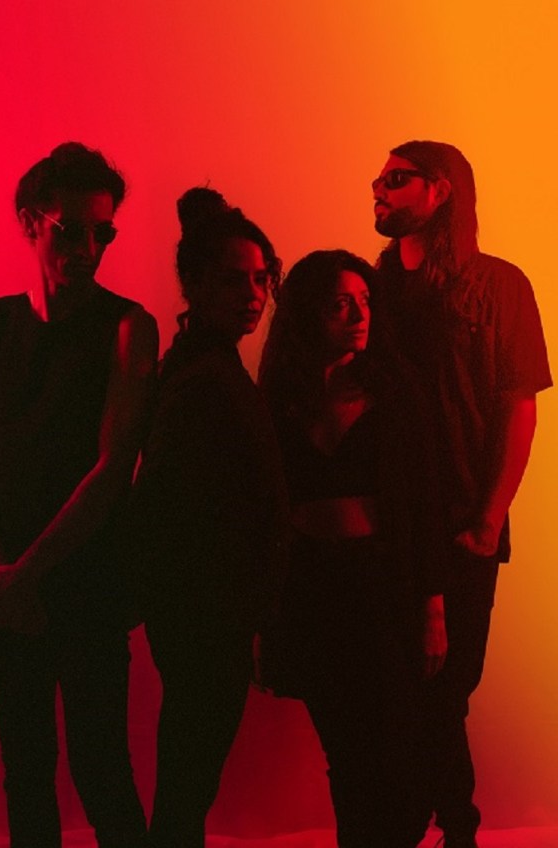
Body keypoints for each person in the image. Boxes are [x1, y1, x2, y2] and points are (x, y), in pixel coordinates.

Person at [0, 142, 158, 848]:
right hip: (6, 574)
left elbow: (113, 466)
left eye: (102, 232)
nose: (88, 248)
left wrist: (19, 573)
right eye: (71, 230)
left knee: (101, 766)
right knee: (27, 766)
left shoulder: (128, 326)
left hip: (86, 576)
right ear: (30, 221)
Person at [372, 139, 552, 848]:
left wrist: (487, 519)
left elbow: (518, 405)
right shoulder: (374, 287)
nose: (378, 188)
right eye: (380, 178)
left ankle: (446, 825)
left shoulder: (499, 286)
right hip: (385, 520)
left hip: (458, 521)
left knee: (446, 686)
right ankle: (444, 825)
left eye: (396, 178)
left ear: (441, 190)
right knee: (402, 686)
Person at [258, 249, 448, 848]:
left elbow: (426, 503)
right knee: (343, 748)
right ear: (309, 312)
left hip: (380, 584)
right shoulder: (280, 395)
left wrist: (432, 607)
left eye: (365, 302)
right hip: (312, 585)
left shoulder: (394, 390)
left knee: (397, 749)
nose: (359, 316)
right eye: (341, 304)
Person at [130, 187, 289, 848]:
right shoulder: (204, 378)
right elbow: (173, 505)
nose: (252, 295)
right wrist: (242, 609)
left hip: (201, 608)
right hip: (205, 610)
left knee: (188, 775)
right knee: (189, 778)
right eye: (233, 280)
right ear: (193, 284)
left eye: (260, 279)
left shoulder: (201, 364)